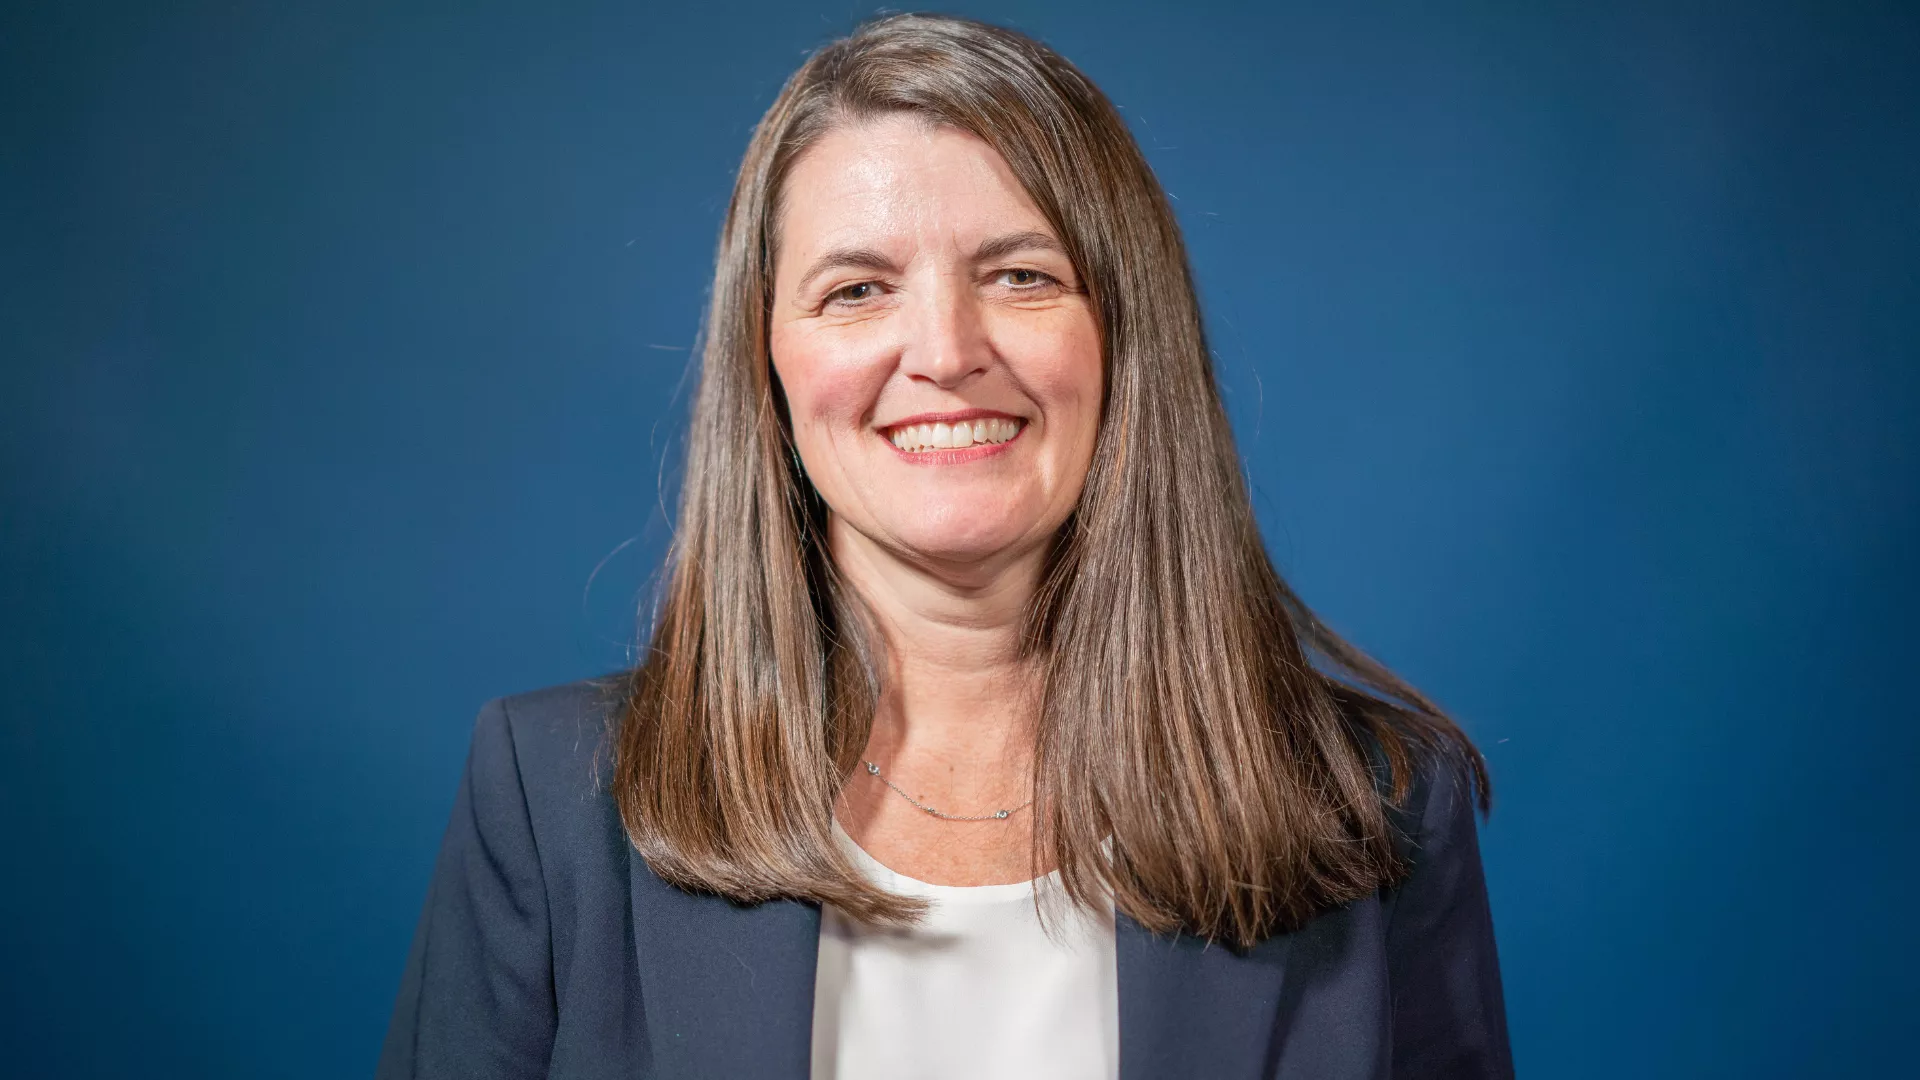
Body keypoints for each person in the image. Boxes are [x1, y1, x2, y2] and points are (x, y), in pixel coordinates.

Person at [378, 13, 1511, 1079]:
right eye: (858, 289)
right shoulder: (552, 801)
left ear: (1126, 338)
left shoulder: (1376, 808)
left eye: (1020, 275)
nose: (945, 350)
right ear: (768, 367)